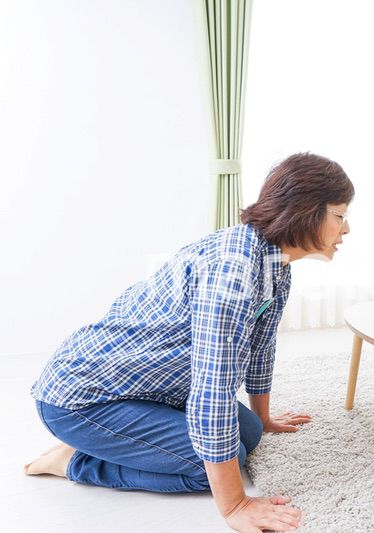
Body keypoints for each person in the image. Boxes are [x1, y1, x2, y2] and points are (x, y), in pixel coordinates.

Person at [25, 152, 354, 532]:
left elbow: (261, 347)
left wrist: (263, 419)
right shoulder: (234, 274)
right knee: (209, 470)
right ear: (306, 213)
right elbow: (212, 391)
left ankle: (110, 441)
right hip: (82, 400)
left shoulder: (273, 263)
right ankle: (75, 462)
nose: (346, 230)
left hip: (142, 389)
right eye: (340, 216)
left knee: (246, 435)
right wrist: (234, 506)